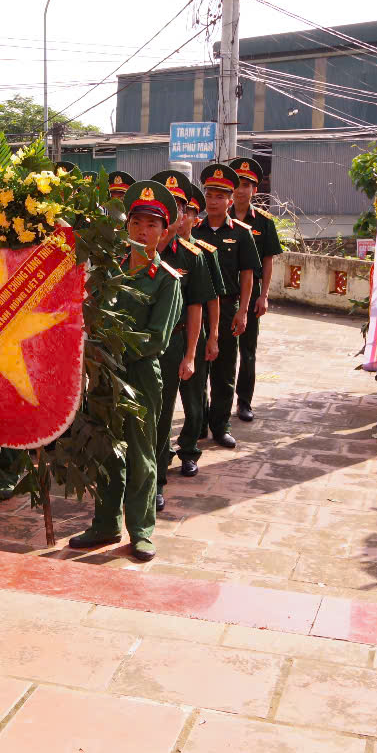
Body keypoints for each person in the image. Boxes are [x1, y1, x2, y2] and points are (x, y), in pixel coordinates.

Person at [69, 180, 183, 561]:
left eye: (152, 225)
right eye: (136, 223)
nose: (142, 231)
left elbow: (157, 339)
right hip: (104, 373)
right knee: (104, 448)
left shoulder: (166, 280)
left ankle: (142, 530)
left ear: (163, 232)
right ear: (126, 226)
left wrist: (112, 345)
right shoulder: (108, 273)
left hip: (139, 377)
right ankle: (105, 523)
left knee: (139, 453)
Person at [150, 170, 222, 508]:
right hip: (145, 344)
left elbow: (198, 307)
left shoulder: (193, 256)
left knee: (184, 406)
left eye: (179, 208)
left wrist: (193, 352)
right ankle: (151, 474)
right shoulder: (134, 253)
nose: (175, 214)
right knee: (154, 414)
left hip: (178, 340)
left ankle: (176, 463)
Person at [192, 163, 261, 449]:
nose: (213, 201)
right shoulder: (194, 231)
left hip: (228, 307)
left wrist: (243, 311)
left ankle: (220, 426)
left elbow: (248, 275)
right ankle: (198, 425)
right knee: (197, 370)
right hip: (197, 310)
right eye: (209, 195)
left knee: (224, 371)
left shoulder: (242, 233)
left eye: (220, 196)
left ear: (230, 201)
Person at [228, 157, 284, 422]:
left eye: (246, 185)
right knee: (220, 351)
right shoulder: (218, 219)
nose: (241, 190)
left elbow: (268, 261)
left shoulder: (264, 222)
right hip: (224, 294)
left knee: (247, 351)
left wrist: (264, 295)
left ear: (255, 190)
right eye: (237, 185)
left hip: (251, 294)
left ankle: (244, 402)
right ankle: (217, 405)